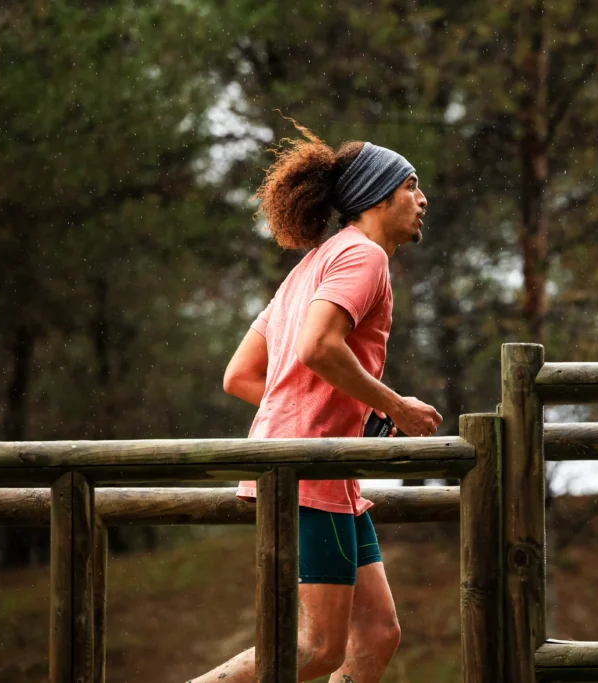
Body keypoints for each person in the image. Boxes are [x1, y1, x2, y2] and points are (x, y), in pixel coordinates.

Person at [191, 122, 443, 683]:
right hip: (308, 472)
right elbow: (316, 347)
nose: (423, 199)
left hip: (324, 471)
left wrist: (350, 410)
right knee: (316, 648)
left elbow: (242, 375)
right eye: (411, 186)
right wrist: (396, 406)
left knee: (376, 636)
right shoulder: (363, 258)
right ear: (379, 195)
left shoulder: (312, 265)